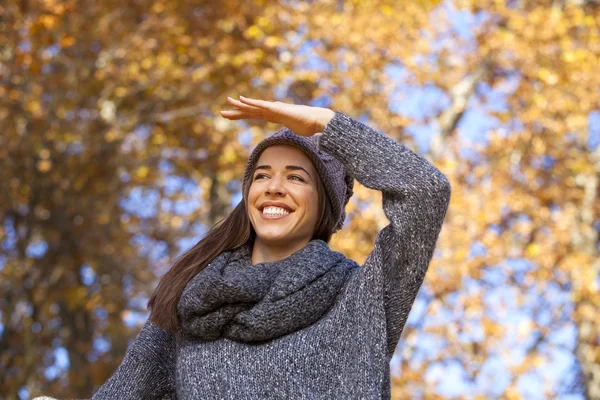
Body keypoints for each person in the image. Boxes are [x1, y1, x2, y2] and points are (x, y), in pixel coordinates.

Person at [87, 96, 451, 399]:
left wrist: (327, 125)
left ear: (325, 204)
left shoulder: (362, 296)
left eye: (296, 177)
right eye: (262, 175)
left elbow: (426, 192)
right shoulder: (192, 302)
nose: (274, 187)